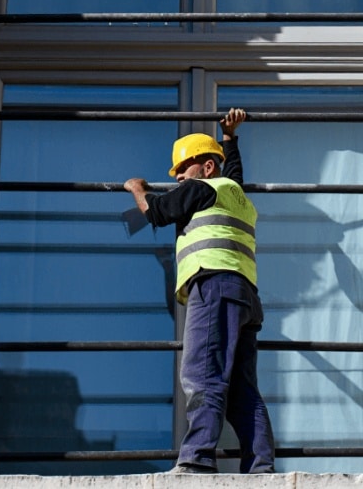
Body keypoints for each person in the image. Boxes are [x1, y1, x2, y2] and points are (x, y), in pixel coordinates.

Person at [123, 108, 276, 475]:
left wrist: (137, 188)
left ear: (207, 167)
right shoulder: (233, 192)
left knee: (202, 373)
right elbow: (234, 173)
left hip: (214, 286)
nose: (178, 178)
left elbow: (157, 212)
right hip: (245, 296)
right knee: (242, 388)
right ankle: (261, 467)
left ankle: (197, 459)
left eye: (183, 168)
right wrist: (230, 139)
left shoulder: (200, 188)